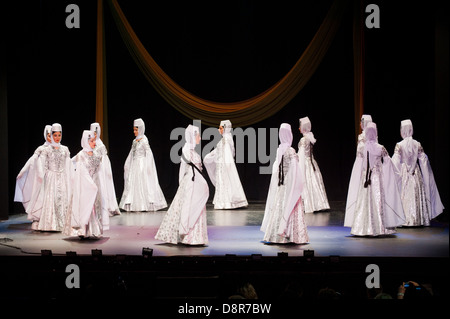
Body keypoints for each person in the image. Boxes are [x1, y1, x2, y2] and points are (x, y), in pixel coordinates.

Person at [344, 122, 405, 236]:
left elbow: (358, 166)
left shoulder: (362, 148)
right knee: (378, 200)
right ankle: (378, 227)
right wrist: (390, 175)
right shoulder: (381, 148)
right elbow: (388, 163)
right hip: (376, 178)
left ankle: (363, 227)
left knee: (365, 200)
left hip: (365, 179)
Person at [155, 124, 209, 245]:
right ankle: (186, 235)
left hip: (196, 184)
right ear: (192, 136)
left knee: (197, 208)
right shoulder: (186, 150)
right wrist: (182, 186)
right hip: (190, 183)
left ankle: (196, 237)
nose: (200, 138)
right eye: (198, 135)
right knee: (187, 208)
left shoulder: (193, 152)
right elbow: (183, 169)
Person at [260, 123, 309, 244]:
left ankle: (276, 235)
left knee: (280, 206)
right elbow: (295, 170)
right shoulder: (290, 150)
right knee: (291, 205)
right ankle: (292, 235)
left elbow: (276, 169)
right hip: (289, 183)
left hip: (281, 185)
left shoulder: (279, 150)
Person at [391, 120, 444, 226]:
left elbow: (395, 162)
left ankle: (404, 219)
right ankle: (417, 219)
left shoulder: (399, 145)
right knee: (416, 192)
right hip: (415, 173)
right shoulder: (417, 144)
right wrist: (426, 172)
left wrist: (393, 172)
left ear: (403, 130)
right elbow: (423, 160)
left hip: (405, 173)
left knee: (405, 193)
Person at [64, 130, 106, 238]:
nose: (94, 143)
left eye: (94, 141)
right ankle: (82, 230)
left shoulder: (96, 154)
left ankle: (94, 229)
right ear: (86, 141)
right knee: (85, 206)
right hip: (84, 186)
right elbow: (80, 171)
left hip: (94, 184)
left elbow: (99, 170)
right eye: (92, 141)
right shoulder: (81, 155)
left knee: (94, 206)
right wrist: (90, 184)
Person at [119, 118, 167, 212]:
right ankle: (134, 205)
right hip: (135, 165)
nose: (134, 132)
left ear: (140, 129)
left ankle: (144, 205)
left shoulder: (144, 140)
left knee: (143, 183)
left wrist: (149, 165)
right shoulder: (134, 141)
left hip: (142, 164)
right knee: (134, 184)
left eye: (136, 130)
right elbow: (131, 153)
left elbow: (149, 153)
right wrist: (127, 163)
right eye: (134, 129)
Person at [32, 123, 72, 231]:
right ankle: (51, 224)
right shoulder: (47, 150)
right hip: (51, 177)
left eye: (59, 135)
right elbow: (42, 165)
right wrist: (45, 176)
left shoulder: (65, 149)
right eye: (55, 135)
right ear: (51, 135)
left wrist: (69, 177)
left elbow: (68, 165)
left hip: (62, 177)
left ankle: (63, 223)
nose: (57, 138)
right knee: (52, 199)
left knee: (62, 199)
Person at [203, 120, 248, 209]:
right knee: (224, 183)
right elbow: (218, 151)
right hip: (222, 165)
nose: (218, 130)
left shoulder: (227, 138)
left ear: (225, 128)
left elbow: (228, 152)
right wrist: (209, 156)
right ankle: (224, 201)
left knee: (227, 182)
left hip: (225, 165)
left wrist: (227, 164)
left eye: (220, 128)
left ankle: (227, 202)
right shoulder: (224, 138)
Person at [14, 125, 52, 229]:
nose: (50, 137)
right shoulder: (41, 148)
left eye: (51, 135)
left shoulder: (57, 148)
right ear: (45, 135)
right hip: (42, 176)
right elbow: (32, 159)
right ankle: (37, 218)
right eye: (48, 135)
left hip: (53, 176)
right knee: (41, 196)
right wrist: (22, 171)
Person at [297, 116, 330, 213]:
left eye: (300, 126)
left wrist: (298, 165)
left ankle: (309, 204)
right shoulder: (310, 137)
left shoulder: (304, 139)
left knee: (307, 182)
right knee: (314, 182)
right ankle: (319, 203)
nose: (299, 128)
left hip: (305, 162)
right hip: (311, 162)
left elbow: (302, 154)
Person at [90, 122, 121, 219]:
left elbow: (105, 162)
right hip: (92, 170)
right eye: (92, 133)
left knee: (102, 187)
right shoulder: (90, 144)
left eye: (95, 133)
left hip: (100, 171)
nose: (94, 135)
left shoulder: (100, 145)